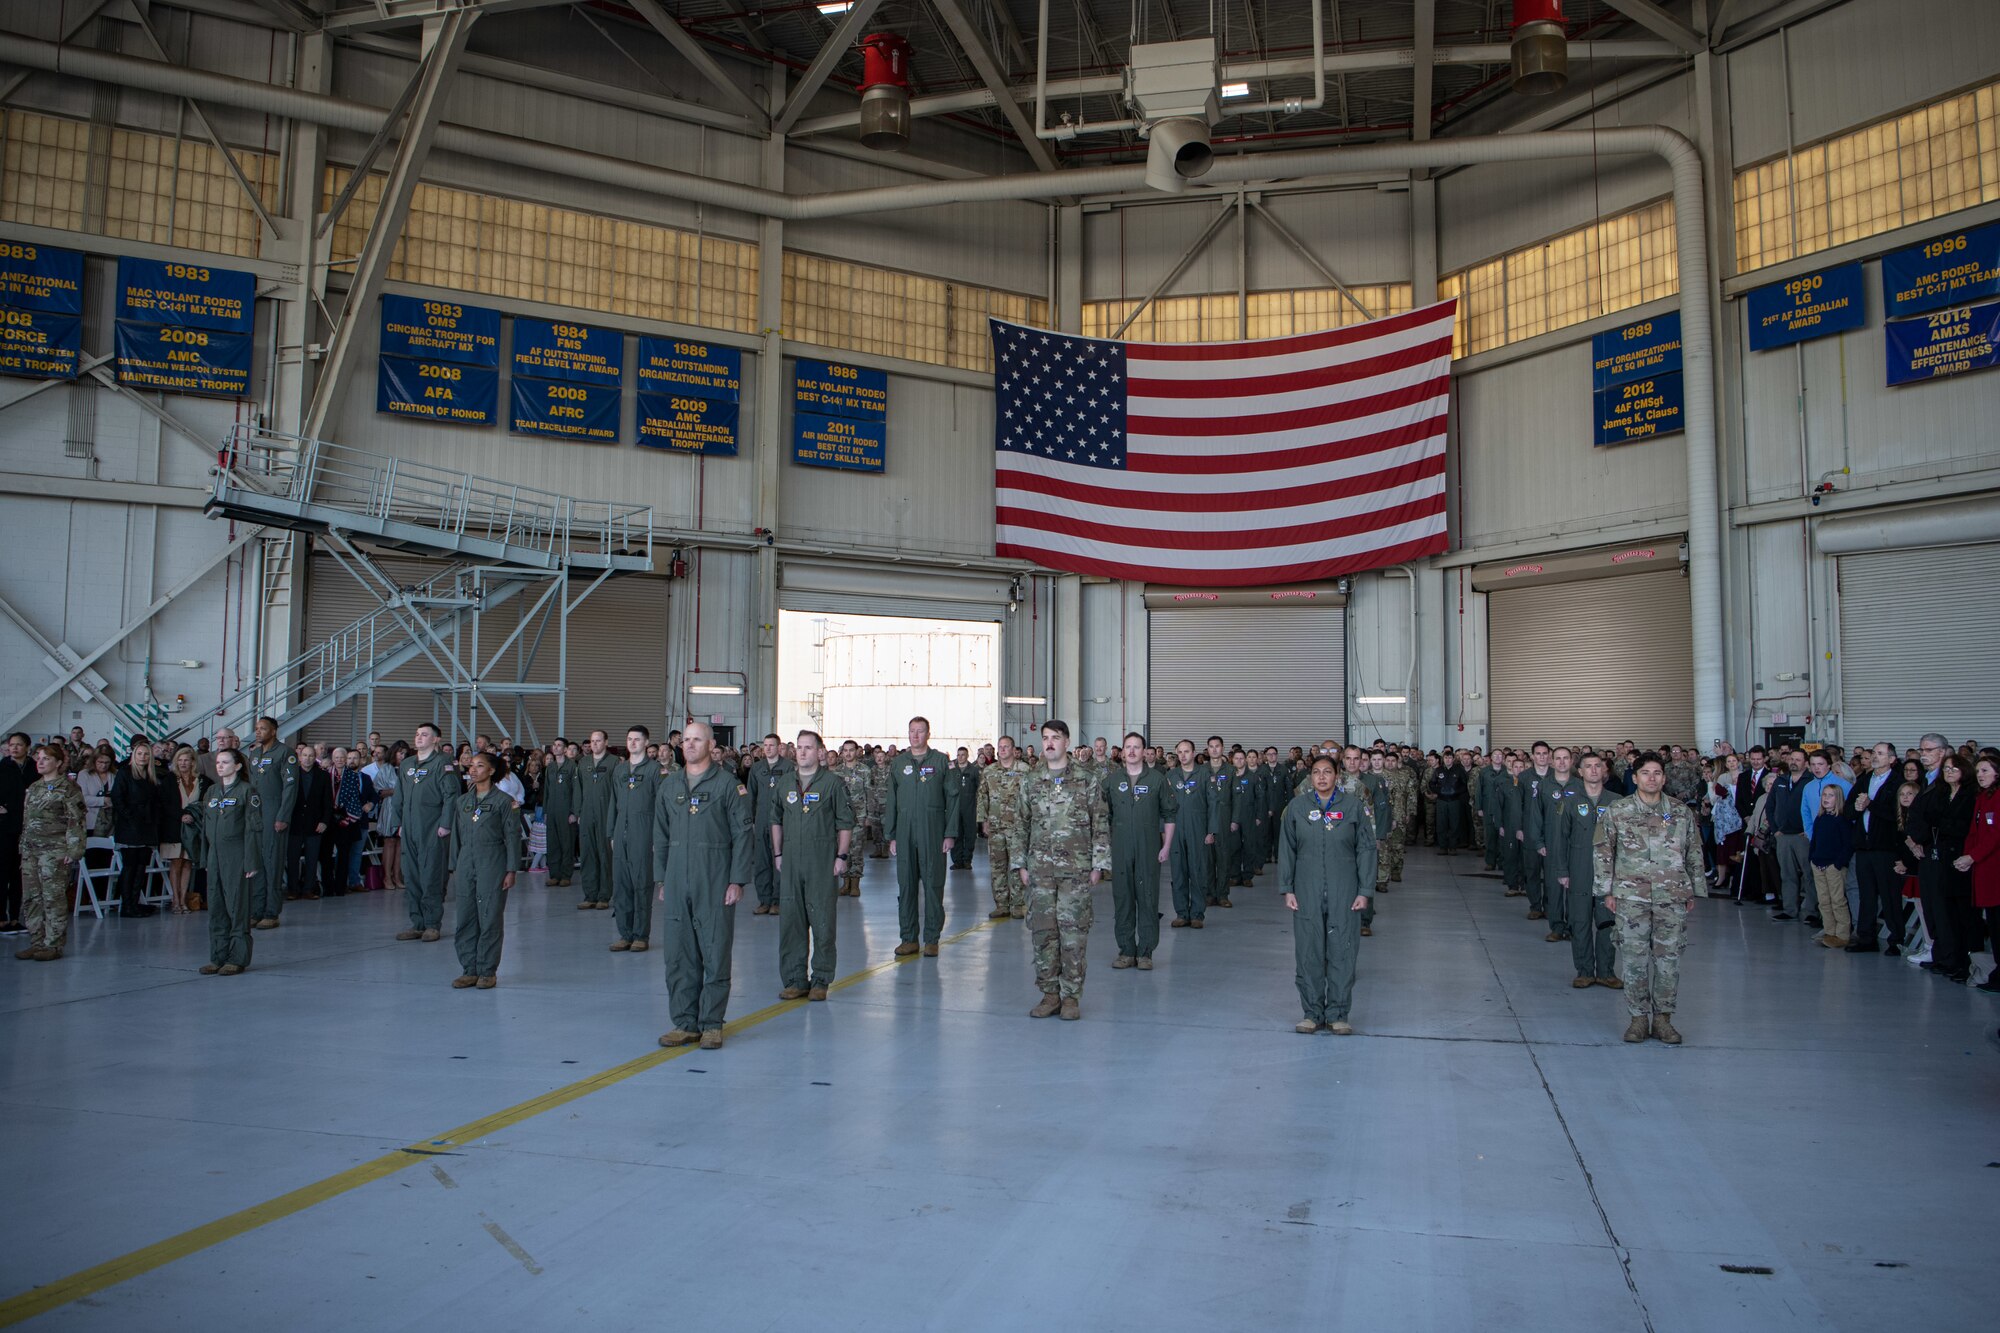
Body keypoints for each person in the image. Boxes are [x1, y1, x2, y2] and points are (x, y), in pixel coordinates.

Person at [652, 721, 754, 1051]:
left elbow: (742, 834)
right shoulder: (670, 786)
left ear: (711, 745)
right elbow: (661, 837)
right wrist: (662, 878)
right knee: (679, 954)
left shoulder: (728, 785)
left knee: (714, 951)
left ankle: (711, 1023)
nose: (691, 745)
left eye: (698, 740)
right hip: (678, 878)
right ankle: (685, 1023)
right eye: (687, 740)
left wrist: (737, 880)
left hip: (714, 878)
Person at [1593, 753, 1705, 1045]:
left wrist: (1693, 889)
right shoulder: (1618, 811)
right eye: (1645, 773)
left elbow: (1694, 851)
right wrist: (1607, 891)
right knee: (1633, 960)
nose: (1651, 778)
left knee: (1669, 960)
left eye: (1657, 773)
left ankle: (1664, 1020)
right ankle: (1638, 1019)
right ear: (1635, 777)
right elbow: (1604, 852)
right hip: (1631, 897)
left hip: (1672, 897)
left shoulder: (1681, 812)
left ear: (1664, 778)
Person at [1278, 755, 1377, 1035]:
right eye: (1316, 772)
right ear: (1310, 777)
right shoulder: (1297, 807)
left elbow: (1366, 850)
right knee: (1308, 952)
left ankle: (1338, 1013)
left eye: (1327, 772)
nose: (1321, 777)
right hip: (1306, 890)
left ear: (1337, 776)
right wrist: (1287, 888)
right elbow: (1287, 850)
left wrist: (1365, 891)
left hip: (1344, 891)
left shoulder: (1353, 807)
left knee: (1342, 953)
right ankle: (1311, 1013)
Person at [1016, 720, 1108, 1020]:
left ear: (1067, 742)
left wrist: (1099, 864)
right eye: (1045, 738)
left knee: (1073, 935)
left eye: (1055, 738)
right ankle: (1049, 994)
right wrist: (1020, 863)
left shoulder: (1086, 779)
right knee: (1043, 934)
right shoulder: (1031, 779)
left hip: (1076, 871)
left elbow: (1100, 823)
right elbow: (1021, 823)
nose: (1049, 743)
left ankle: (1071, 997)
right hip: (1040, 870)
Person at [770, 730, 853, 1001]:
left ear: (819, 751)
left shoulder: (832, 784)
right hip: (791, 861)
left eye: (809, 747)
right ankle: (795, 979)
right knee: (791, 922)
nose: (803, 752)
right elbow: (776, 820)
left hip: (822, 862)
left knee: (822, 921)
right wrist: (778, 854)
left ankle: (820, 979)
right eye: (800, 747)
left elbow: (844, 823)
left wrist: (841, 857)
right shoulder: (784, 784)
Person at [1100, 732, 1176, 971]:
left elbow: (1170, 815)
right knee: (1123, 899)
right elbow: (1103, 816)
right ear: (1122, 752)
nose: (1132, 751)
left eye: (1136, 747)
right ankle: (1126, 951)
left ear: (1144, 751)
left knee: (1148, 899)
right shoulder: (1112, 781)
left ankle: (1145, 953)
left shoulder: (1157, 780)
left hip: (1148, 848)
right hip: (1121, 849)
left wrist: (1166, 846)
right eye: (1128, 747)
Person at [885, 716, 958, 958]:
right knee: (906, 886)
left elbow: (953, 799)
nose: (915, 736)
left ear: (929, 734)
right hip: (905, 833)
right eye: (912, 731)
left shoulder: (940, 761)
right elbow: (892, 802)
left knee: (933, 885)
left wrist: (950, 834)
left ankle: (932, 939)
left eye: (920, 731)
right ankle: (908, 939)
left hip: (933, 832)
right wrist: (892, 835)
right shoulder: (898, 764)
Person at [449, 751, 520, 990]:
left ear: (491, 771)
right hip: (466, 862)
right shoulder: (462, 802)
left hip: (493, 861)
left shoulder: (504, 802)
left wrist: (511, 870)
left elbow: (512, 838)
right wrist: (455, 865)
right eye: (472, 765)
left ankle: (487, 970)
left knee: (489, 917)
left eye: (480, 766)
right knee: (466, 917)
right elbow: (456, 838)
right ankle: (469, 969)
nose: (473, 769)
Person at [190, 747, 261, 975]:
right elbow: (205, 828)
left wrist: (251, 861)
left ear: (237, 766)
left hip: (237, 854)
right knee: (216, 906)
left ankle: (237, 957)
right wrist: (204, 857)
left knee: (237, 906)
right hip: (215, 856)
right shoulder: (211, 792)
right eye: (218, 762)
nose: (220, 766)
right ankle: (217, 956)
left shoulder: (247, 792)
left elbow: (254, 829)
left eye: (225, 762)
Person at [1550, 752, 1619, 988]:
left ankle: (1607, 972)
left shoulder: (1617, 802)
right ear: (1579, 772)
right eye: (1587, 766)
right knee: (1579, 922)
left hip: (1609, 875)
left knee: (1607, 923)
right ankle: (1585, 971)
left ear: (1604, 770)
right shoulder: (1569, 801)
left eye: (1597, 766)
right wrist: (1562, 870)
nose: (1593, 770)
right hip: (1579, 870)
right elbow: (1560, 838)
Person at [1909, 746, 1976, 983]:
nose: (1949, 772)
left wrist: (1939, 826)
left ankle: (1959, 960)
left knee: (1954, 912)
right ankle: (1942, 955)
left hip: (1957, 857)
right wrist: (1917, 839)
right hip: (1934, 852)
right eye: (1946, 769)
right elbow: (1920, 817)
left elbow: (1962, 825)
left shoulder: (1970, 794)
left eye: (1954, 768)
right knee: (1935, 908)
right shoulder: (1938, 791)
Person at [15, 742, 85, 961]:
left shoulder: (69, 788)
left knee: (52, 898)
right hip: (31, 850)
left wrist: (74, 850)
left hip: (54, 851)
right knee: (31, 898)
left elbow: (77, 820)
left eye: (46, 758)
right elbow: (27, 820)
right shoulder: (34, 787)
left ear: (58, 763)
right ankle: (37, 942)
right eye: (39, 758)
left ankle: (53, 944)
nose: (40, 762)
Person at [395, 724, 461, 942]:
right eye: (417, 734)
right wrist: (399, 822)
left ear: (436, 739)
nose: (419, 737)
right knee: (411, 875)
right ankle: (418, 923)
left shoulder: (443, 762)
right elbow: (399, 796)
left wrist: (446, 824)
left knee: (431, 874)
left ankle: (432, 924)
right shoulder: (406, 764)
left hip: (433, 827)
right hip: (409, 827)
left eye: (424, 734)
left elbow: (451, 795)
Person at [611, 726, 663, 951]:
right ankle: (625, 934)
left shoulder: (655, 770)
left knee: (641, 884)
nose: (633, 743)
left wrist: (657, 838)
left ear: (646, 743)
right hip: (620, 832)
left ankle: (641, 935)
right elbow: (613, 803)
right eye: (630, 739)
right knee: (621, 885)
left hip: (644, 832)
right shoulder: (619, 770)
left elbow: (662, 806)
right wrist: (611, 833)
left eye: (637, 740)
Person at [243, 717, 298, 930]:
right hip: (256, 816)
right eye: (256, 728)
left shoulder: (285, 753)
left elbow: (290, 788)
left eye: (263, 728)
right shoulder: (254, 754)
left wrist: (283, 816)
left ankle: (271, 912)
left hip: (274, 815)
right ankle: (257, 910)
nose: (258, 732)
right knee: (256, 864)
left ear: (273, 731)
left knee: (272, 863)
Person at [108, 736, 164, 918]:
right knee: (130, 866)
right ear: (134, 755)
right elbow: (117, 798)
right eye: (139, 754)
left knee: (142, 866)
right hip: (130, 826)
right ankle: (126, 905)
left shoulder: (151, 776)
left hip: (147, 827)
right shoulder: (124, 773)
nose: (142, 757)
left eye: (146, 754)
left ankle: (134, 903)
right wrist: (131, 817)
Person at [1165, 738, 1216, 930]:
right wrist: (1164, 831)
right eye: (1180, 752)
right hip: (1176, 829)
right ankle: (1181, 913)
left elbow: (1213, 804)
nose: (1183, 755)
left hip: (1198, 829)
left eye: (1187, 751)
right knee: (1178, 872)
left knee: (1198, 871)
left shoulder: (1204, 774)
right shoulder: (1171, 775)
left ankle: (1197, 914)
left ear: (1193, 753)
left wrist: (1211, 830)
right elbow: (1165, 806)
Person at [977, 735, 1030, 919]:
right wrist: (983, 820)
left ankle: (1017, 905)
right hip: (996, 826)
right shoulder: (989, 771)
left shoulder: (1024, 770)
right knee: (997, 867)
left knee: (1017, 866)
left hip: (1017, 827)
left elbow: (1030, 797)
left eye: (1006, 747)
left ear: (1014, 749)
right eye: (1000, 747)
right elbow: (982, 796)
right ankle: (1001, 904)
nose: (1002, 750)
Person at [1961, 756, 2000, 993]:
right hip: (1982, 869)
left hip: (1994, 869)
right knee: (1993, 923)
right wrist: (1968, 856)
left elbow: (1995, 835)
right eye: (1978, 770)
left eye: (1985, 770)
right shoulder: (1982, 798)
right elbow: (1974, 833)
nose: (1980, 774)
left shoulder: (1997, 798)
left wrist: (1972, 856)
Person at [746, 733, 794, 915]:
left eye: (771, 745)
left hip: (781, 822)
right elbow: (751, 795)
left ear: (779, 747)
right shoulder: (757, 768)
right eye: (765, 745)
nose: (768, 748)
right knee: (761, 862)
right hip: (761, 821)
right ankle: (764, 900)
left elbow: (792, 796)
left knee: (779, 862)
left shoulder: (788, 767)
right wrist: (750, 819)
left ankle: (777, 900)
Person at [1807, 783, 1855, 949]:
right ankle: (1829, 931)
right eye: (1824, 795)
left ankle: (1842, 934)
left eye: (1830, 795)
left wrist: (1838, 864)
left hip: (1833, 866)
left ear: (1838, 799)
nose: (1826, 799)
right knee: (1823, 901)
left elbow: (1847, 845)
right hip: (1818, 863)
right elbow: (1815, 841)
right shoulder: (1820, 818)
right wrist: (1812, 858)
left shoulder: (1842, 820)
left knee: (1837, 900)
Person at [164, 746, 208, 914]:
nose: (183, 763)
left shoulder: (202, 781)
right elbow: (165, 803)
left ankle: (183, 900)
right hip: (174, 827)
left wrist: (192, 815)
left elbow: (204, 801)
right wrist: (181, 815)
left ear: (192, 762)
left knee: (188, 863)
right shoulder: (169, 780)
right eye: (180, 760)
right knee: (176, 863)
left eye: (186, 760)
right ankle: (175, 900)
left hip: (192, 829)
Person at [577, 730, 617, 910]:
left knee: (604, 854)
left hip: (606, 813)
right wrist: (577, 812)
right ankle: (590, 895)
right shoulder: (583, 762)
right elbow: (577, 789)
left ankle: (604, 895)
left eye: (598, 741)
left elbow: (617, 791)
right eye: (592, 741)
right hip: (586, 813)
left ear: (606, 742)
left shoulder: (614, 762)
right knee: (587, 854)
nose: (594, 744)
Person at [0, 731, 31, 934]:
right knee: (2, 872)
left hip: (26, 827)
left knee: (18, 875)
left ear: (27, 747)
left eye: (19, 745)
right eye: (12, 744)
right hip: (4, 827)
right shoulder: (2, 767)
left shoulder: (34, 770)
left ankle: (14, 917)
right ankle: (1, 918)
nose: (14, 748)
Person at [541, 738, 579, 887]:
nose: (556, 748)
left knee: (566, 843)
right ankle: (554, 874)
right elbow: (547, 791)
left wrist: (573, 812)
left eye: (559, 746)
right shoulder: (550, 767)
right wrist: (545, 811)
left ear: (565, 749)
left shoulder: (572, 767)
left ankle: (565, 875)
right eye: (554, 745)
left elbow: (576, 791)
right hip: (552, 810)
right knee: (553, 843)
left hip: (566, 811)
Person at [366, 744, 402, 894]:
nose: (402, 756)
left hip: (405, 809)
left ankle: (397, 876)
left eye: (405, 753)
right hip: (389, 808)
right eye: (400, 753)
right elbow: (377, 791)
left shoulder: (410, 769)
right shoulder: (386, 769)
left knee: (401, 842)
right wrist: (395, 791)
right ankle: (387, 877)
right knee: (390, 841)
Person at [1430, 749, 1470, 854]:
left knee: (1455, 824)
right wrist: (1439, 791)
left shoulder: (1459, 770)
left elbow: (1464, 785)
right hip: (1441, 801)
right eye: (1446, 758)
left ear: (1453, 759)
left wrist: (1456, 791)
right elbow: (1432, 784)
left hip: (1454, 800)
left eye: (1450, 758)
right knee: (1441, 824)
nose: (1448, 760)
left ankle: (1453, 847)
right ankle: (1443, 847)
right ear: (1443, 759)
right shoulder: (1438, 770)